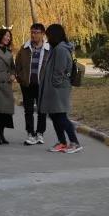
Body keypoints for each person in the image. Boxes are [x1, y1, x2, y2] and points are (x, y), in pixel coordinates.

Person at [40, 24, 83, 154]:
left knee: (61, 116)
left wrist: (55, 83)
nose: (47, 38)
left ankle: (74, 142)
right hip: (54, 88)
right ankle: (62, 142)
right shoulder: (57, 48)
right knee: (54, 115)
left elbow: (59, 70)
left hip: (58, 89)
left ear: (54, 35)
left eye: (48, 35)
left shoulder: (61, 49)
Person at [15, 23, 49, 146]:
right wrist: (20, 77)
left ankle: (40, 133)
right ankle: (30, 133)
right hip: (27, 84)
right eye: (32, 32)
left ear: (42, 34)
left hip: (42, 85)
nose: (33, 35)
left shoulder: (48, 49)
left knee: (42, 110)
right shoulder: (24, 48)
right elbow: (17, 64)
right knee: (28, 110)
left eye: (36, 32)